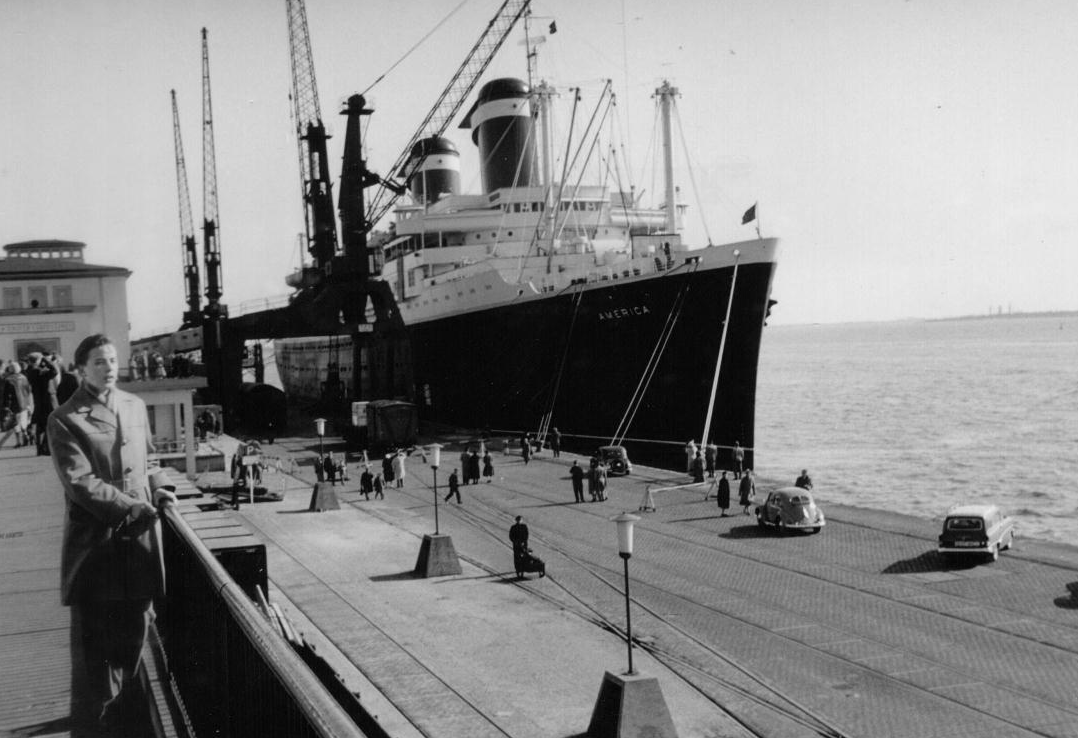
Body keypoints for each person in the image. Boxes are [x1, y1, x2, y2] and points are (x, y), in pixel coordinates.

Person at [47, 333, 178, 731]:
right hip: (97, 549)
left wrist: (159, 487)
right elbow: (80, 482)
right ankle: (99, 727)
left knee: (135, 638)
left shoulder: (134, 405)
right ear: (80, 369)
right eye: (99, 362)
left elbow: (149, 458)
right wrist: (128, 507)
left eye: (113, 360)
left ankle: (123, 723)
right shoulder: (65, 418)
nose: (109, 368)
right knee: (97, 658)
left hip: (139, 545)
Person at [26, 352, 59, 455]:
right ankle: (46, 448)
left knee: (40, 426)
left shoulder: (30, 371)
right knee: (49, 425)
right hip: (47, 401)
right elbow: (54, 371)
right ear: (38, 360)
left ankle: (39, 448)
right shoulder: (40, 372)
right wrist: (46, 360)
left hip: (38, 401)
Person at [2, 360, 33, 448]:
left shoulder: (9, 380)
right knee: (23, 421)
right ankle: (25, 434)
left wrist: (6, 406)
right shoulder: (24, 377)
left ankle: (19, 441)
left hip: (14, 404)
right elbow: (28, 390)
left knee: (15, 423)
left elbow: (7, 395)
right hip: (24, 402)